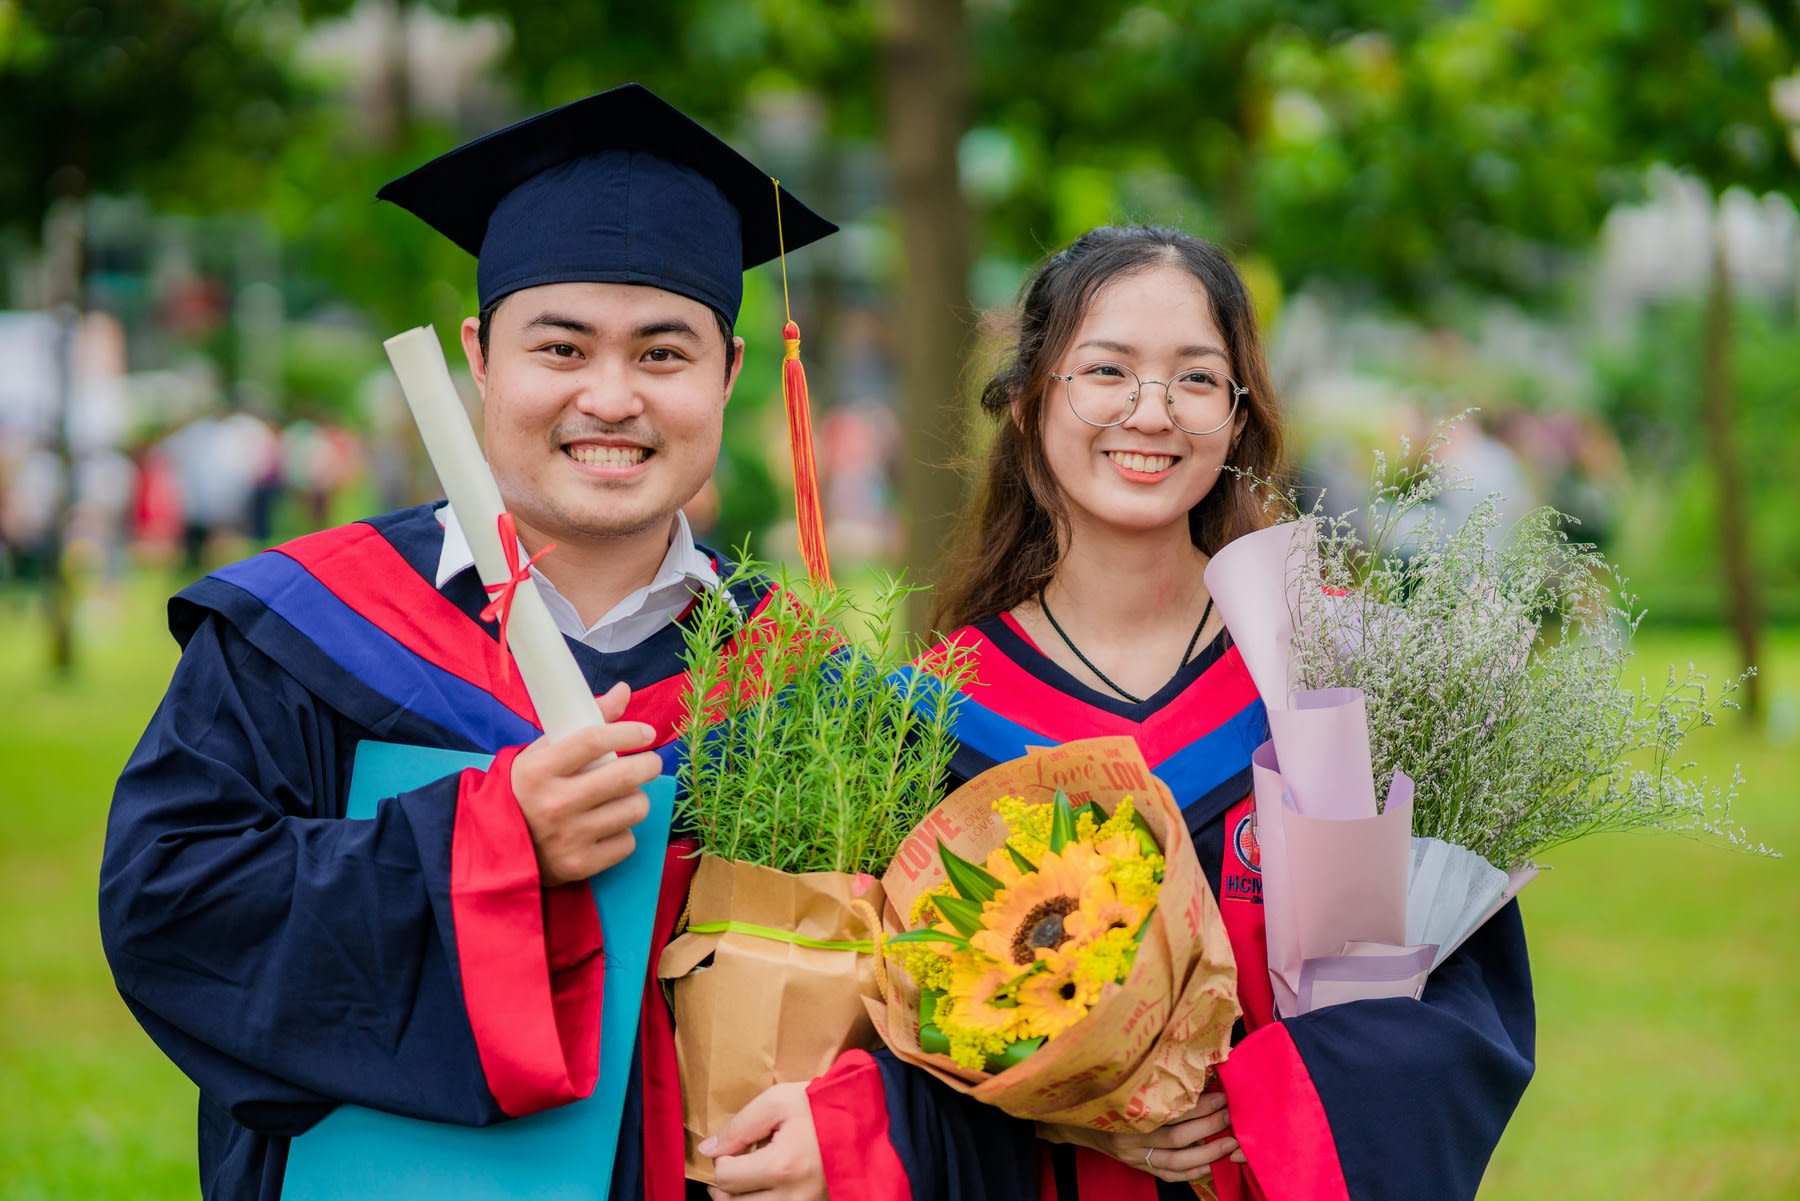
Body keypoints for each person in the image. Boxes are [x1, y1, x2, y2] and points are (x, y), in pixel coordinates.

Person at [99, 83, 834, 1201]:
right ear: (481, 358)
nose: (610, 396)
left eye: (663, 354)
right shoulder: (307, 628)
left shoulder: (802, 685)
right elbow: (172, 913)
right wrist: (483, 847)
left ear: (730, 374)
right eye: (562, 346)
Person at [705, 225, 1534, 1201]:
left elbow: (1468, 1008)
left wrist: (1264, 1101)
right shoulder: (931, 721)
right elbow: (889, 1025)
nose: (1151, 412)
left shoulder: (1348, 675)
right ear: (1025, 403)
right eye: (1106, 370)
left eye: (1194, 379)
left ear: (1237, 418)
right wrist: (1064, 1098)